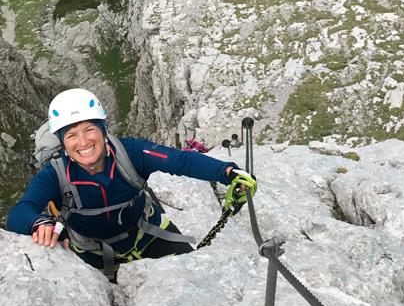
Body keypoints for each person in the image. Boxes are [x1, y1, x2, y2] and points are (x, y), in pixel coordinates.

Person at [5, 88, 256, 278]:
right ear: (63, 143)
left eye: (90, 130)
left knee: (196, 279)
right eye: (71, 135)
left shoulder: (130, 152)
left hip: (147, 234)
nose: (83, 142)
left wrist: (228, 172)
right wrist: (39, 223)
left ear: (103, 130)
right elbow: (20, 212)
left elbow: (180, 161)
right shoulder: (55, 174)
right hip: (93, 255)